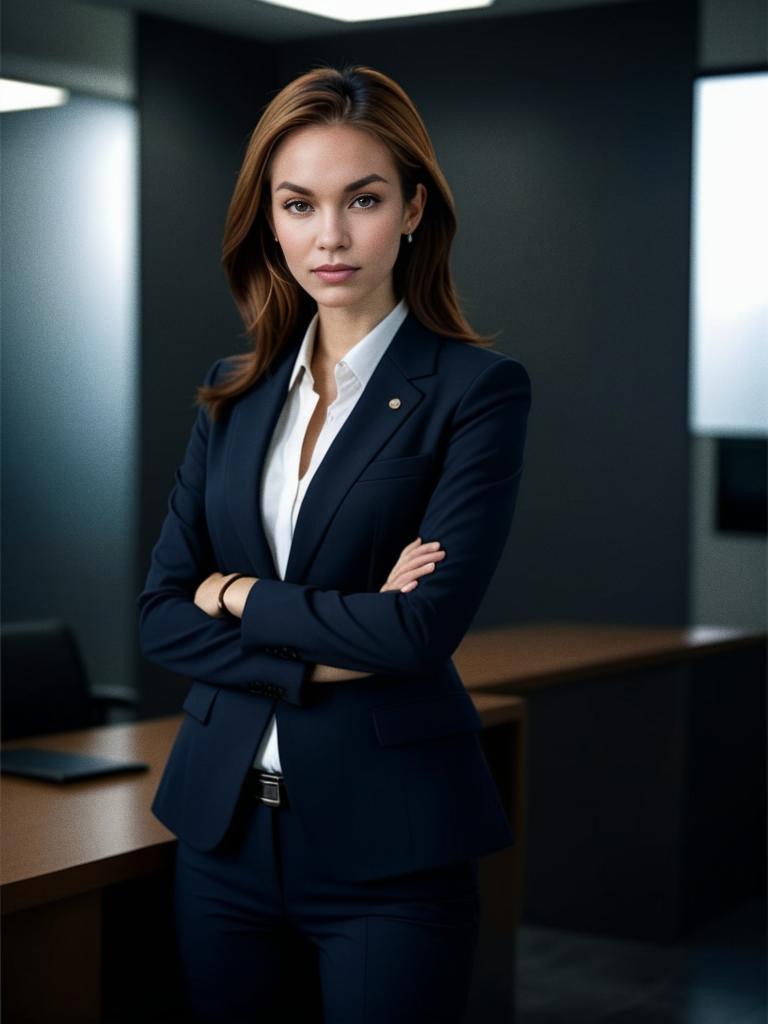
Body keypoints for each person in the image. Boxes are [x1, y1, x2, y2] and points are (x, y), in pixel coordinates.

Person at [137, 63, 532, 1023]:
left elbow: (417, 635)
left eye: (362, 199)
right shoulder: (233, 392)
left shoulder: (475, 391)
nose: (330, 235)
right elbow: (158, 615)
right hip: (222, 837)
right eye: (299, 204)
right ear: (269, 221)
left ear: (412, 210)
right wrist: (331, 643)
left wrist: (234, 598)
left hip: (390, 849)